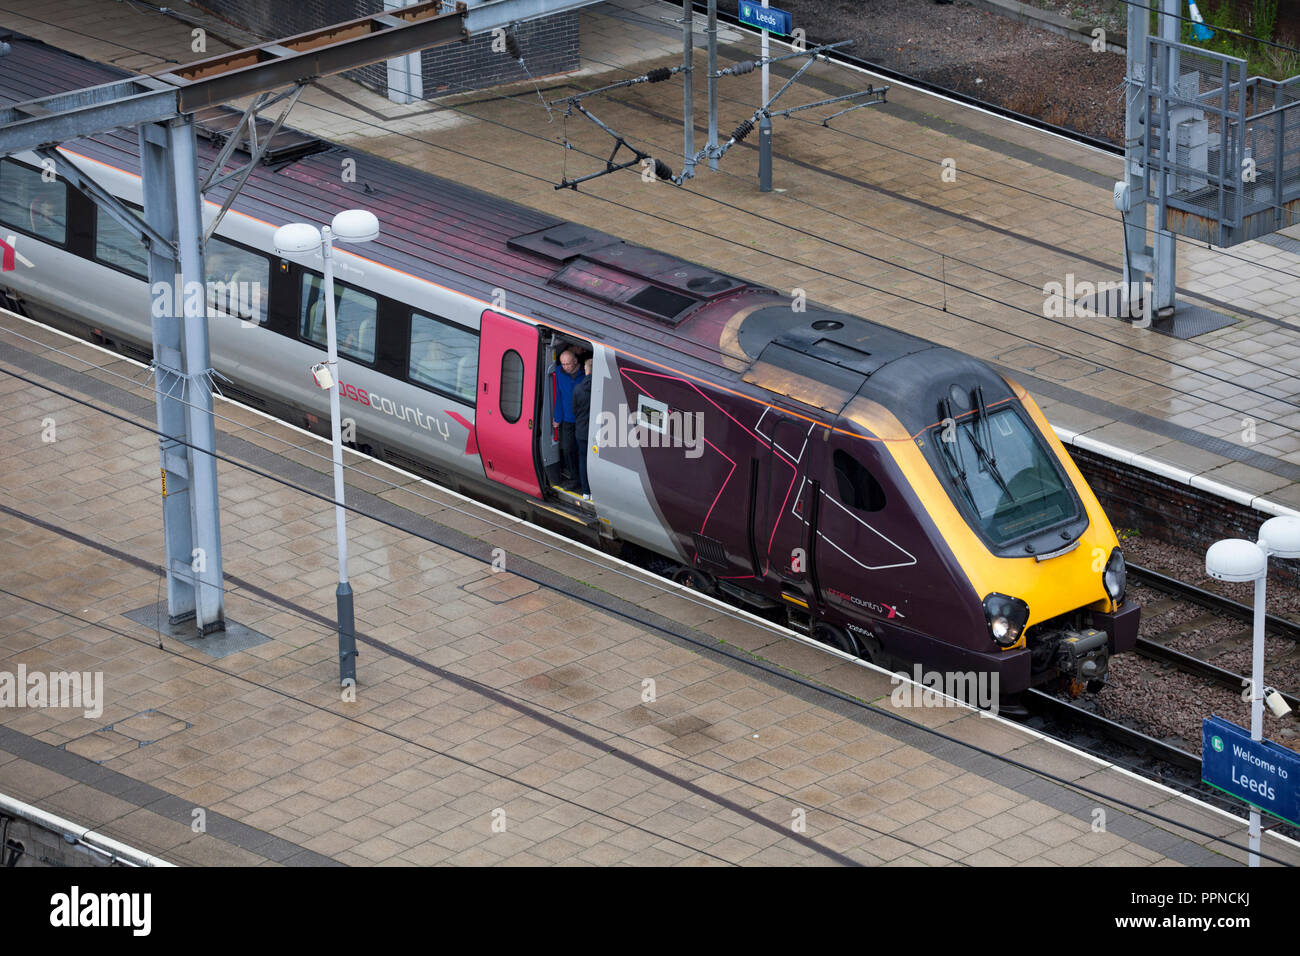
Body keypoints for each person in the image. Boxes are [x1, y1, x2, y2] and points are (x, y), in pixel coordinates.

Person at [550, 348, 585, 491]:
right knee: (567, 449)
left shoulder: (585, 374)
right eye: (563, 364)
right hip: (567, 420)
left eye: (568, 364)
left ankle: (583, 481)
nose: (565, 367)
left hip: (583, 419)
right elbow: (558, 395)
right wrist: (557, 418)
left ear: (575, 362)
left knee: (581, 450)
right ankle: (574, 478)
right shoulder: (559, 372)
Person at [573, 357, 593, 498]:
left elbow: (575, 410)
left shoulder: (578, 388)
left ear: (586, 370)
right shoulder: (602, 388)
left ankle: (586, 491)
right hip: (596, 432)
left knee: (583, 459)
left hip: (581, 431)